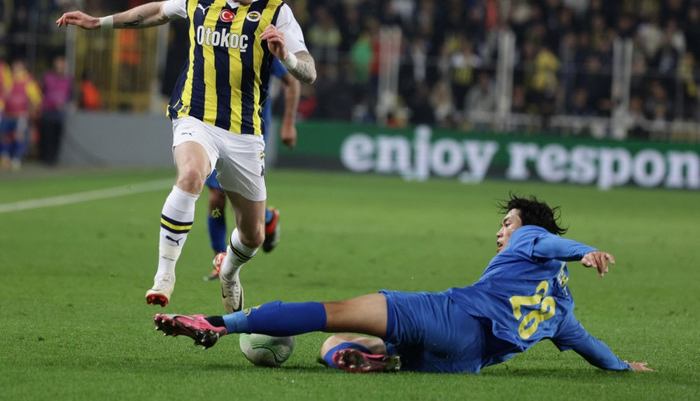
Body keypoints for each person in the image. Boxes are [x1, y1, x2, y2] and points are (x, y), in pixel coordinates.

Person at [56, 0, 316, 310]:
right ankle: (165, 274)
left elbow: (309, 71)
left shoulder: (277, 14)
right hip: (196, 117)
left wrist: (287, 57)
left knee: (254, 235)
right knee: (191, 176)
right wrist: (101, 22)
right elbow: (156, 12)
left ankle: (229, 271)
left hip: (245, 132)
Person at [153, 194, 653, 374]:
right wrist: (622, 366)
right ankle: (370, 358)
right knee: (339, 343)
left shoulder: (531, 239)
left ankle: (216, 323)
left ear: (527, 229)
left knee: (331, 312)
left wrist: (584, 251)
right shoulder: (562, 311)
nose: (500, 233)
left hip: (450, 316)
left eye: (507, 223)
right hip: (464, 362)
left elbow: (550, 243)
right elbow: (591, 347)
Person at [204, 56, 300, 281]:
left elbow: (291, 81)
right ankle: (219, 257)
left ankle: (267, 217)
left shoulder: (259, 43)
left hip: (251, 129)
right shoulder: (214, 40)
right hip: (216, 124)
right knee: (217, 197)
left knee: (240, 199)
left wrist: (288, 124)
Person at [0, 57, 42, 171]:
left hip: (20, 115)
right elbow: (4, 95)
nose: (15, 70)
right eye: (14, 67)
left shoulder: (28, 81)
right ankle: (5, 158)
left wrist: (33, 110)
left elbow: (36, 99)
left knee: (18, 136)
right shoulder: (8, 80)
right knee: (5, 136)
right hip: (7, 114)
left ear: (23, 68)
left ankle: (16, 158)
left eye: (18, 67)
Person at [39, 54, 73, 165]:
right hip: (47, 111)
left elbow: (70, 96)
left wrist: (65, 104)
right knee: (46, 136)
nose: (60, 66)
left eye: (62, 64)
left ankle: (54, 158)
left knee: (57, 137)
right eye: (58, 63)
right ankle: (45, 157)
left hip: (60, 114)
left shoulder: (68, 80)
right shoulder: (47, 77)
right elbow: (42, 93)